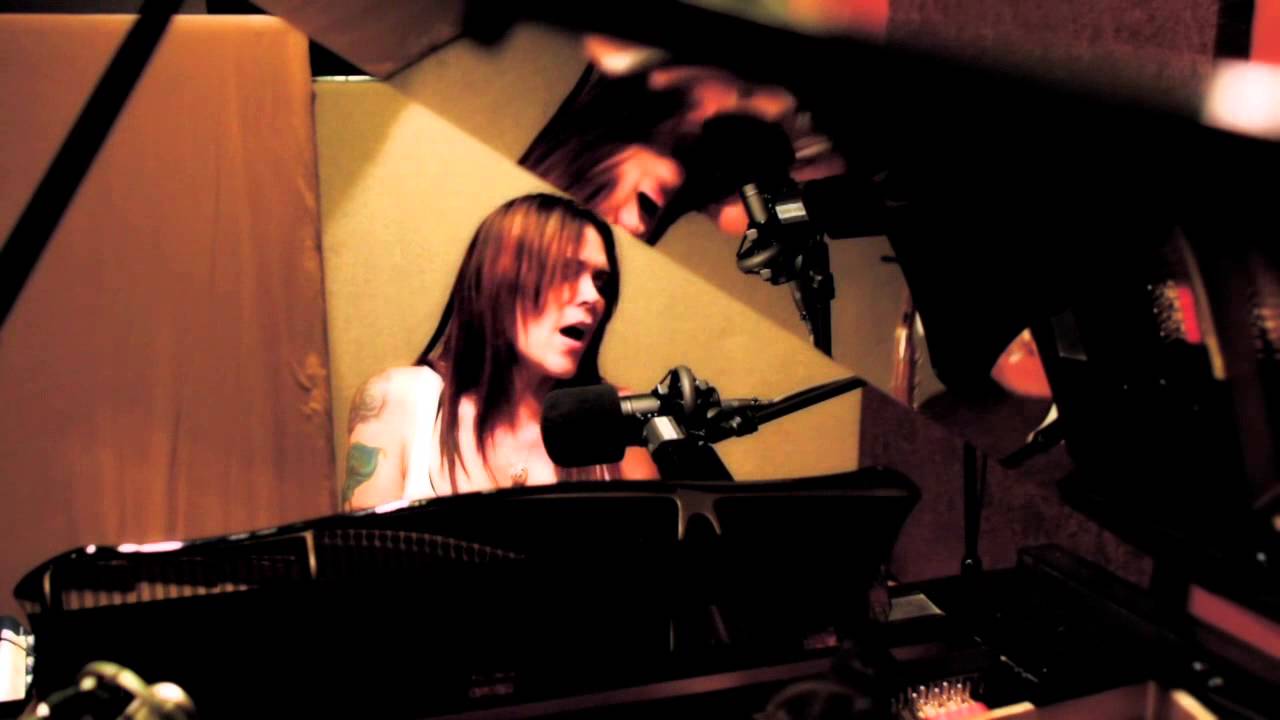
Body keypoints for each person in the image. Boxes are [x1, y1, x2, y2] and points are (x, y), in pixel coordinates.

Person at [342, 193, 659, 511]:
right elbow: (366, 543)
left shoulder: (617, 421)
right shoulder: (397, 400)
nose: (593, 297)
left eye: (600, 282)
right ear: (498, 279)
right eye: (565, 271)